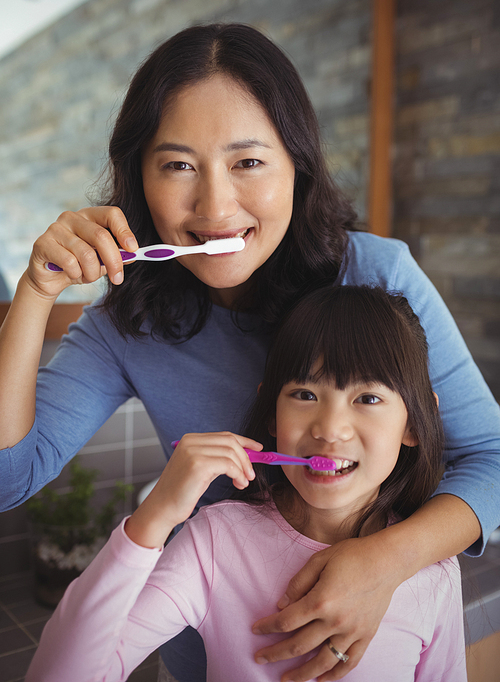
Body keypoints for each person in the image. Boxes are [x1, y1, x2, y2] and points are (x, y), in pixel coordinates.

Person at [0, 22, 498, 682]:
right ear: (139, 178)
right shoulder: (127, 321)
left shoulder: (379, 275)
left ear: (298, 163)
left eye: (248, 161)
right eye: (178, 165)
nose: (215, 205)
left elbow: (492, 458)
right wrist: (34, 292)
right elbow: (10, 479)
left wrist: (384, 562)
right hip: (205, 647)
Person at [26, 285, 467, 682]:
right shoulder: (215, 541)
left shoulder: (434, 571)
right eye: (305, 395)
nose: (331, 430)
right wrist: (156, 515)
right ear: (272, 413)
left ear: (417, 421)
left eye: (368, 399)